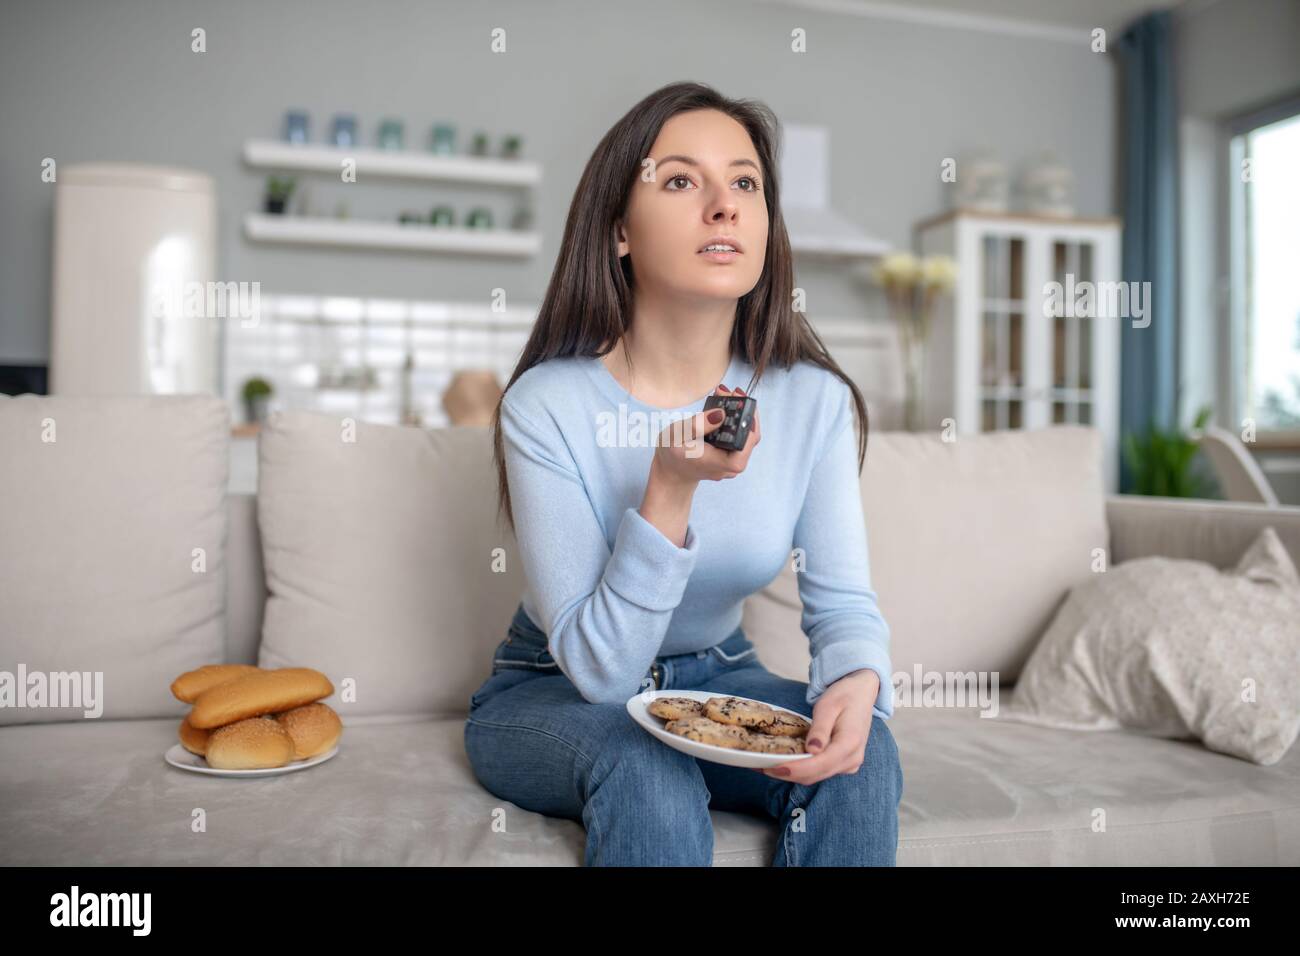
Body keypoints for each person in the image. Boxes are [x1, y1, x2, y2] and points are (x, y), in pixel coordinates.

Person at [464, 81, 902, 866]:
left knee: (865, 762)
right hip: (551, 690)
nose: (724, 205)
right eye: (679, 181)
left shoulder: (814, 400)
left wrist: (857, 683)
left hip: (720, 673)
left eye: (745, 182)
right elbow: (601, 673)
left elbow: (843, 606)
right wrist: (670, 488)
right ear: (619, 231)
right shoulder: (546, 403)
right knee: (645, 761)